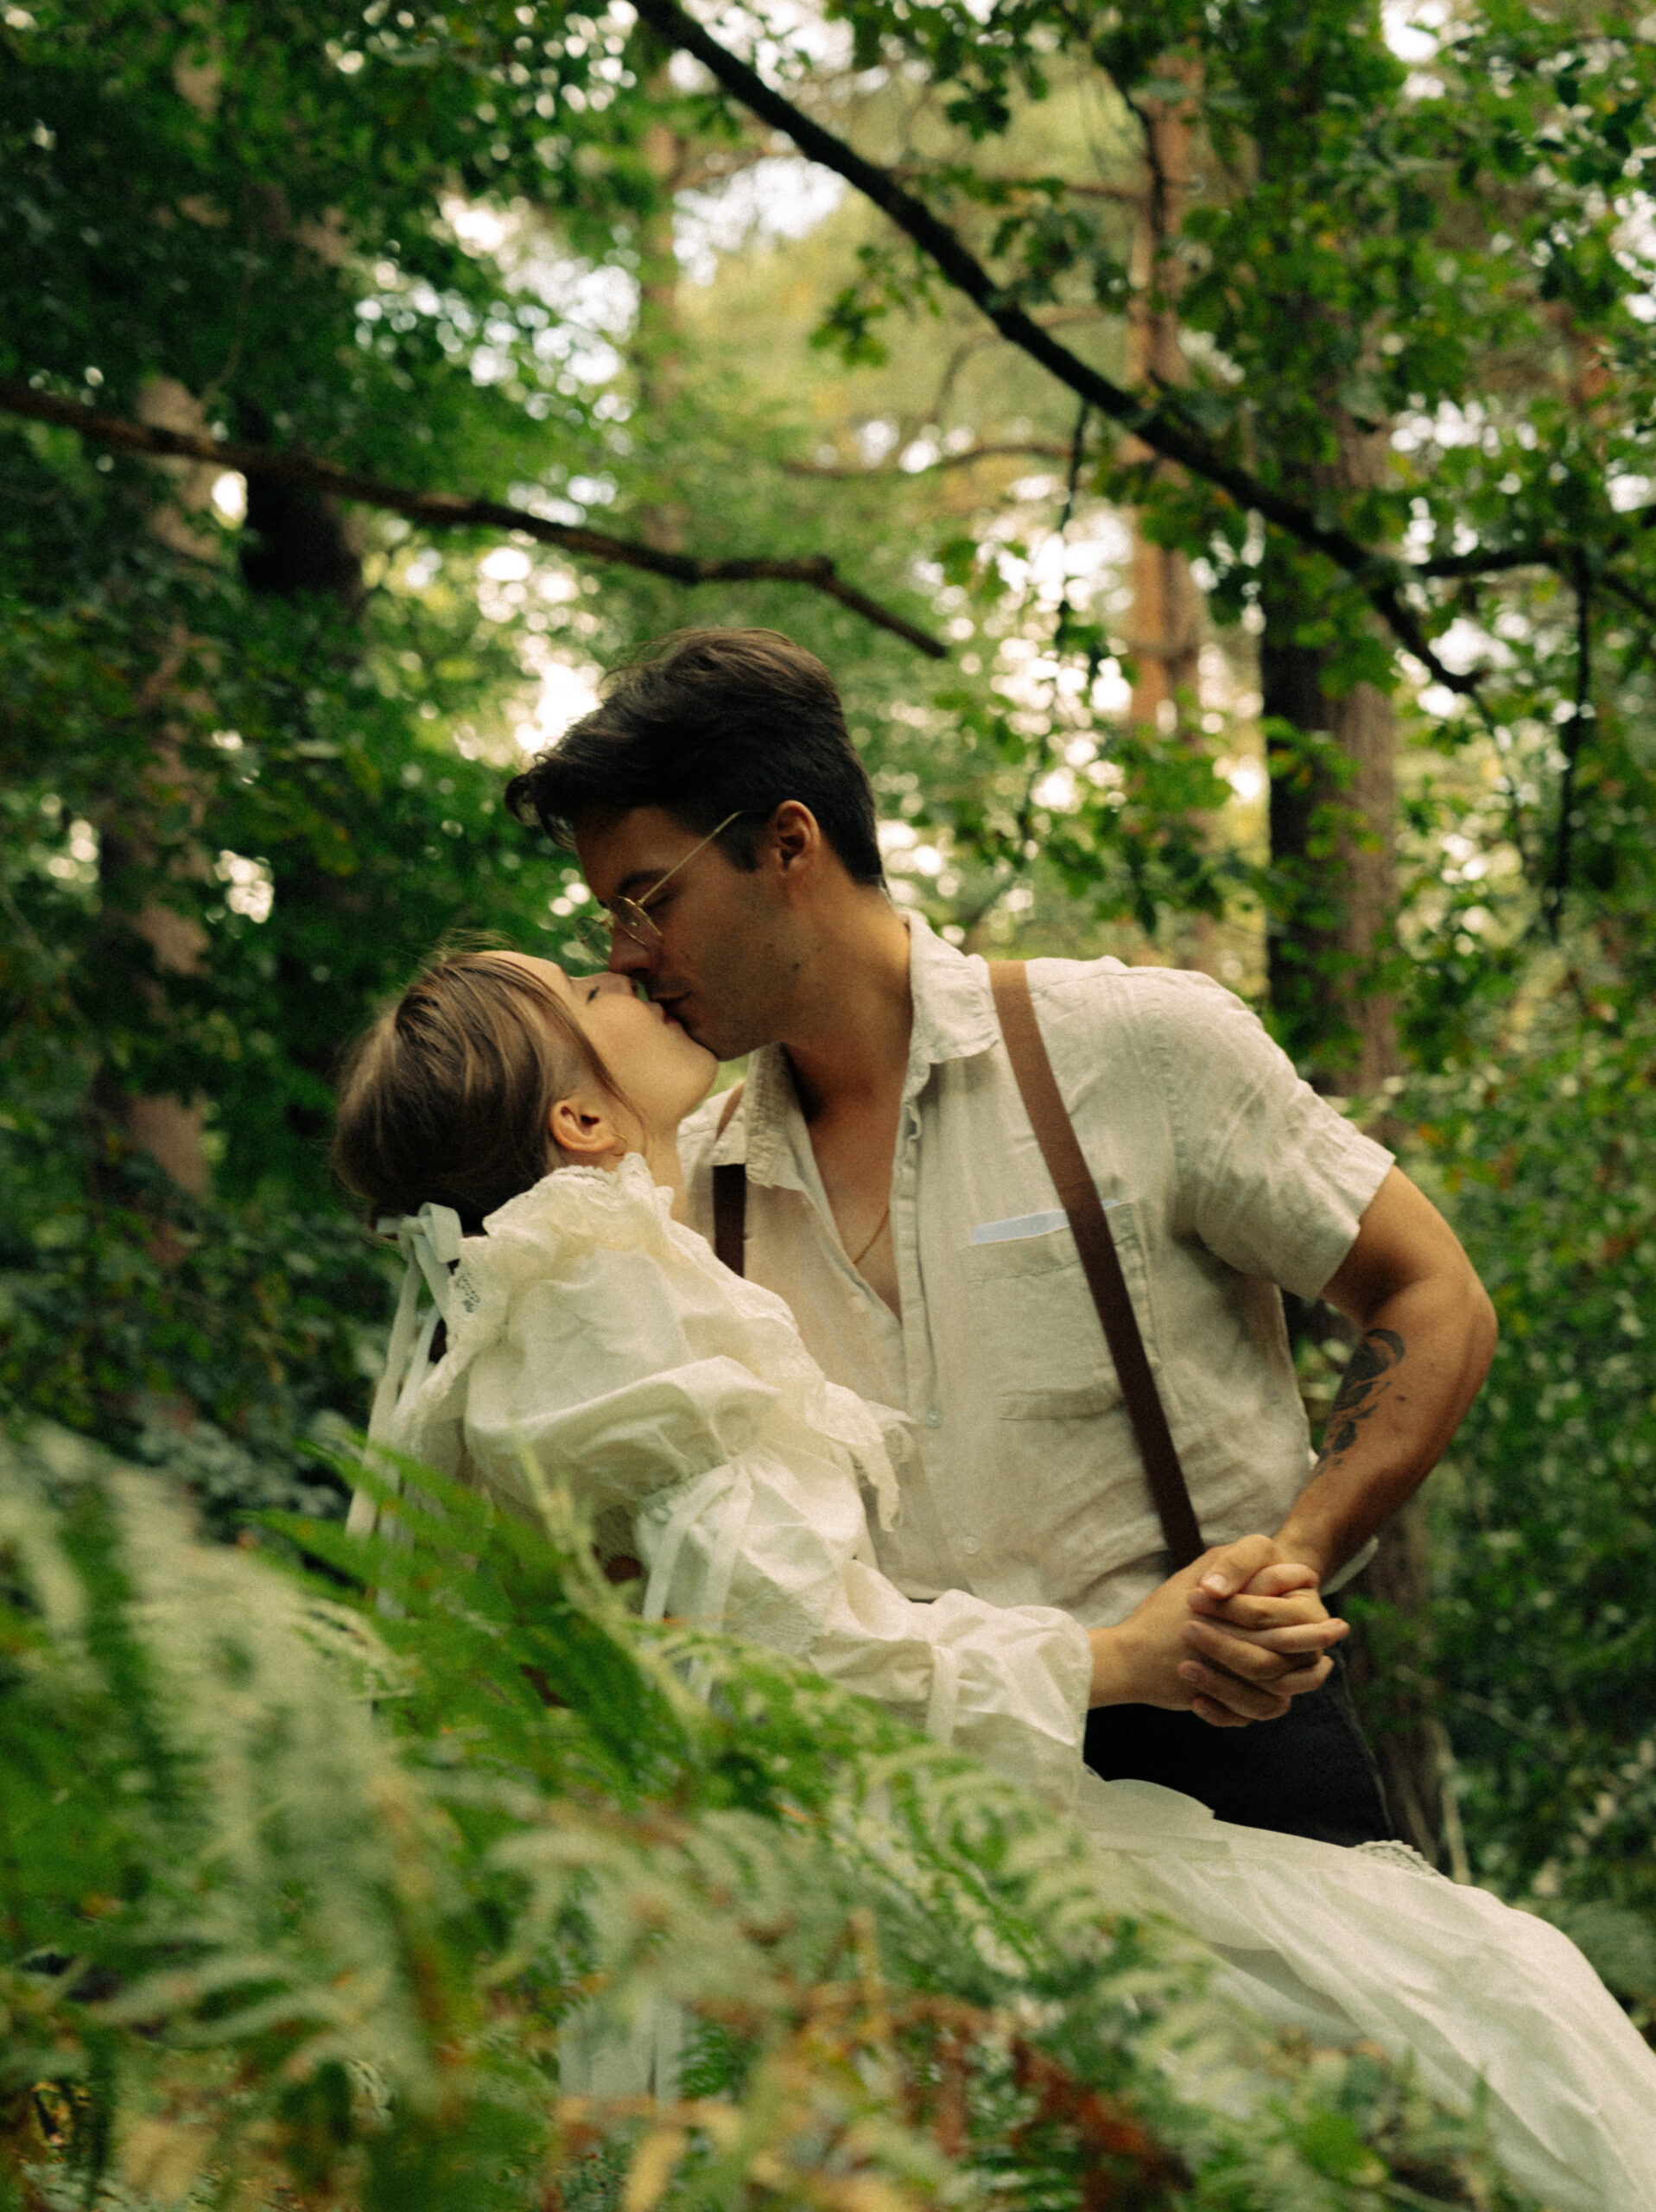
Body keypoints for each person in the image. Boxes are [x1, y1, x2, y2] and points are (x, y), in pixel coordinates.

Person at [332, 947, 1656, 2212]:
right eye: (581, 991)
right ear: (575, 1120)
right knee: (1490, 2025)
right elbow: (785, 1656)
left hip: (996, 1801)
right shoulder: (606, 1304)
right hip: (888, 1849)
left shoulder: (559, 1300)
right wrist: (1111, 1660)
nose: (618, 966)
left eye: (629, 914)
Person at [504, 627, 1500, 1848]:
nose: (624, 954)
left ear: (786, 844)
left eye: (649, 899)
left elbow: (1431, 1290)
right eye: (610, 914)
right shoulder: (687, 1193)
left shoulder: (1133, 1047)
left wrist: (1293, 1558)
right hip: (926, 1824)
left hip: (1234, 1768)